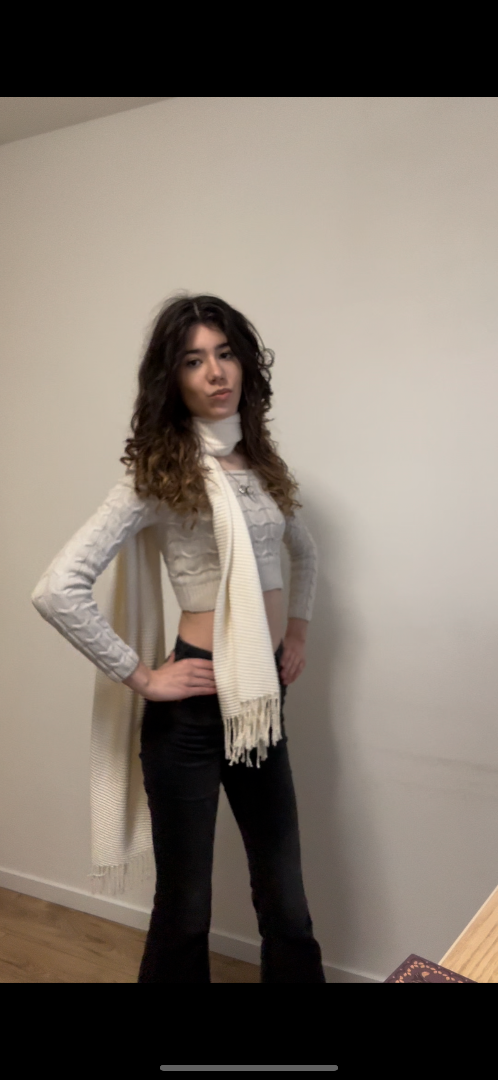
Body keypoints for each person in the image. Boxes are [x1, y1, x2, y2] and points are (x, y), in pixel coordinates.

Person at [31, 293, 325, 983]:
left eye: (225, 354)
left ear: (245, 364)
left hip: (260, 702)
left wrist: (297, 631)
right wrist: (143, 676)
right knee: (186, 909)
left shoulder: (260, 467)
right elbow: (57, 587)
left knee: (286, 898)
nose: (216, 372)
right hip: (191, 709)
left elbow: (304, 552)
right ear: (174, 379)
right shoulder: (160, 474)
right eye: (194, 361)